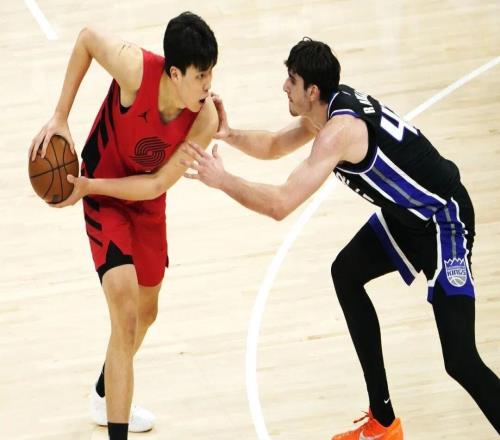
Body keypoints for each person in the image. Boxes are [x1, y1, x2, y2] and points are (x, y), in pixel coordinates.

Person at [181, 38, 500, 439]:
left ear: (312, 90)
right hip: (406, 218)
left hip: (442, 219)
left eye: (291, 80)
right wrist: (230, 135)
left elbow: (280, 204)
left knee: (460, 360)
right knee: (346, 273)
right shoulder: (326, 110)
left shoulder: (339, 132)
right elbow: (275, 145)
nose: (284, 87)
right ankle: (384, 422)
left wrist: (223, 180)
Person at [29, 12, 218, 440]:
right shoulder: (135, 68)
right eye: (201, 76)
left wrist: (89, 185)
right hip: (103, 197)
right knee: (126, 314)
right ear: (175, 73)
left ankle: (104, 392)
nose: (209, 86)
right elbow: (86, 38)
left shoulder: (204, 119)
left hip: (144, 201)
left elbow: (155, 185)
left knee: (147, 312)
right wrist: (60, 116)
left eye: (211, 73)